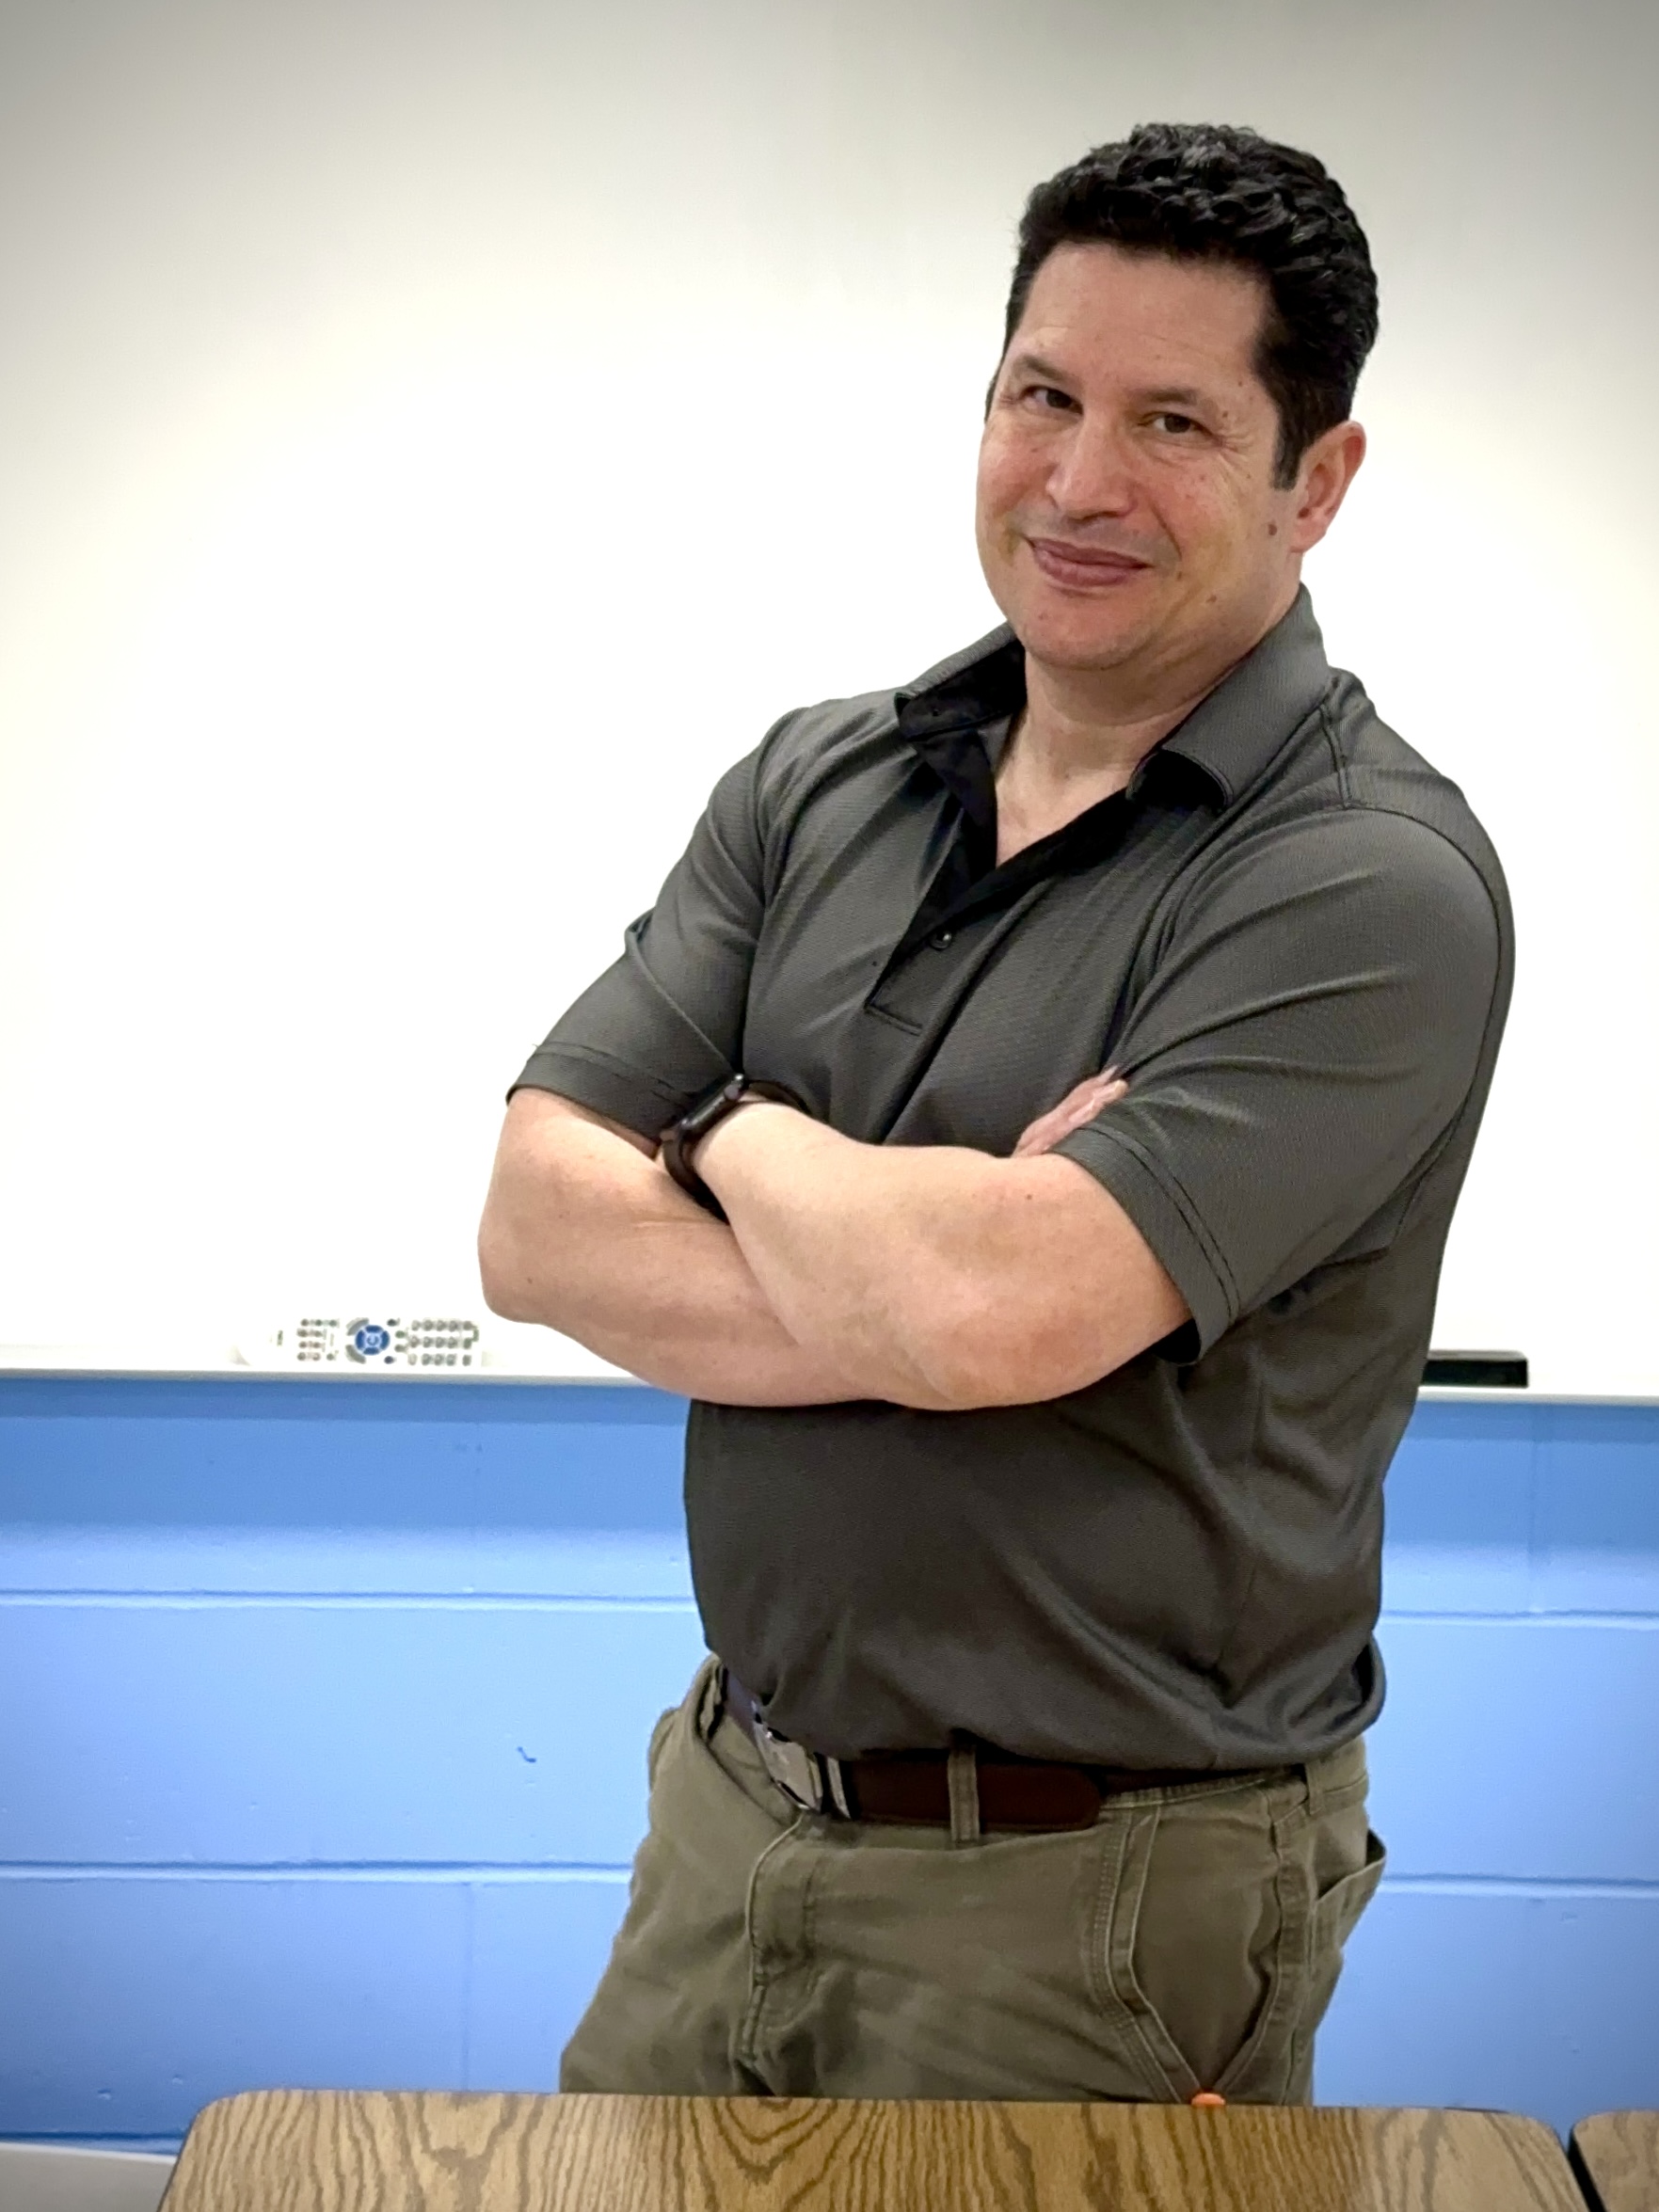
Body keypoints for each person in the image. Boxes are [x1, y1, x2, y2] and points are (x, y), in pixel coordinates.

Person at [477, 121, 1512, 2106]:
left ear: (1320, 481)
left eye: (1175, 424)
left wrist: (725, 1121)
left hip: (1097, 1899)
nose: (1078, 480)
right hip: (725, 1815)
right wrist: (919, 1255)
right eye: (1042, 392)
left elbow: (985, 1320)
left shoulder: (1363, 883)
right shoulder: (817, 784)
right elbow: (533, 1230)